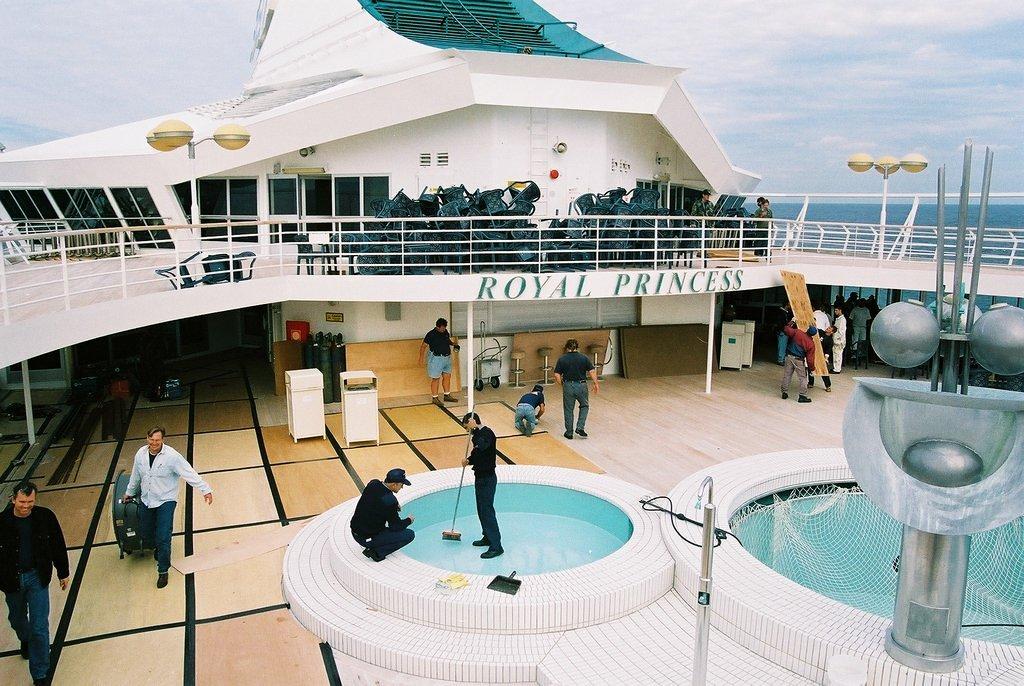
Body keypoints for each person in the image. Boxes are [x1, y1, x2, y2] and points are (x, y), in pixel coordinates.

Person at [124, 427, 213, 588]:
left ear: (162, 440)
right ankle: (158, 548)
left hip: (166, 500)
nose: (154, 443)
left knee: (163, 536)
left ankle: (163, 571)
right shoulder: (140, 454)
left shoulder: (172, 456)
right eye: (151, 440)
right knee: (146, 532)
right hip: (147, 499)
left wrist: (205, 489)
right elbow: (135, 476)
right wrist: (129, 493)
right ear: (147, 438)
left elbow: (188, 472)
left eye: (157, 440)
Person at [1, 482, 70, 686]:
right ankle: (25, 638)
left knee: (39, 626)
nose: (26, 506)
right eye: (22, 502)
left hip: (37, 577)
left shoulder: (45, 517)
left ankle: (40, 674)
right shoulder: (2, 522)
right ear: (13, 499)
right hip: (12, 580)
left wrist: (63, 572)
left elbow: (57, 544)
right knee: (17, 619)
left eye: (30, 502)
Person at [350, 468, 415, 562]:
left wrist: (395, 504)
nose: (402, 488)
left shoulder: (373, 483)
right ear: (394, 484)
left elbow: (378, 497)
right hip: (365, 538)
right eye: (401, 485)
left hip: (354, 530)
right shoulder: (389, 501)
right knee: (409, 534)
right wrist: (409, 520)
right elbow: (395, 526)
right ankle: (376, 552)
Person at [461, 413, 502, 559]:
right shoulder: (477, 435)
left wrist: (475, 429)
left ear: (472, 422)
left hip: (487, 478)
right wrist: (469, 460)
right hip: (479, 477)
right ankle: (487, 536)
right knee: (481, 509)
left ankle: (496, 546)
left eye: (467, 427)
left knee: (487, 510)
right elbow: (477, 454)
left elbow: (483, 446)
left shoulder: (487, 433)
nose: (468, 431)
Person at [553, 339, 600, 439]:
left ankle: (569, 433)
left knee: (568, 409)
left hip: (568, 385)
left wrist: (562, 385)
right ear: (577, 348)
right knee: (584, 406)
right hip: (582, 385)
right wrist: (596, 383)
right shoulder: (584, 357)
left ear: (567, 348)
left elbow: (557, 375)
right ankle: (580, 427)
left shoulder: (562, 359)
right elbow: (592, 371)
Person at [418, 317, 460, 406]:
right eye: (442, 328)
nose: (444, 329)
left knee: (447, 376)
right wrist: (421, 358)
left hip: (447, 358)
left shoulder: (445, 332)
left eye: (445, 327)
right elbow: (423, 346)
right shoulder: (431, 334)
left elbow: (447, 340)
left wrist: (453, 344)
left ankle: (447, 395)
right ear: (437, 327)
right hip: (436, 358)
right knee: (435, 378)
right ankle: (435, 397)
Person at [781, 321, 817, 404]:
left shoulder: (798, 332)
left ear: (808, 329)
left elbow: (786, 329)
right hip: (799, 360)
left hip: (789, 357)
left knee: (787, 375)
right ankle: (802, 396)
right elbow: (810, 359)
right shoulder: (811, 344)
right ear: (813, 335)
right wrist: (812, 368)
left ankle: (784, 392)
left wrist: (791, 323)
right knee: (802, 378)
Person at [810, 304, 834, 393]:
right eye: (828, 327)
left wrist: (826, 358)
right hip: (814, 351)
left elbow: (828, 350)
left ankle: (828, 385)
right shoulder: (822, 332)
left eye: (829, 328)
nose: (827, 328)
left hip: (822, 354)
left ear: (832, 332)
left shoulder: (830, 341)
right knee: (810, 367)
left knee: (823, 370)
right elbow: (816, 329)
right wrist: (814, 323)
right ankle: (810, 383)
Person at [831, 304, 847, 373]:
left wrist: (837, 339)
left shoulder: (842, 319)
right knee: (836, 354)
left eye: (836, 310)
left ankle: (837, 369)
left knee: (838, 355)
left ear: (840, 310)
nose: (835, 312)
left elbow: (841, 331)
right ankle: (835, 368)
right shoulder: (838, 319)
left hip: (839, 340)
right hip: (836, 339)